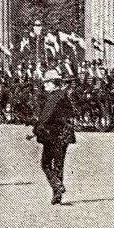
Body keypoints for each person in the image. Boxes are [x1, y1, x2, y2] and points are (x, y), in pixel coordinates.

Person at [33, 70, 77, 204]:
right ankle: (57, 195)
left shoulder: (54, 97)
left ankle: (57, 186)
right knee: (58, 164)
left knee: (45, 163)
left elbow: (46, 116)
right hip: (64, 135)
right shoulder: (62, 96)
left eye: (47, 83)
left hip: (53, 136)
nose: (45, 85)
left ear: (54, 83)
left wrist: (36, 129)